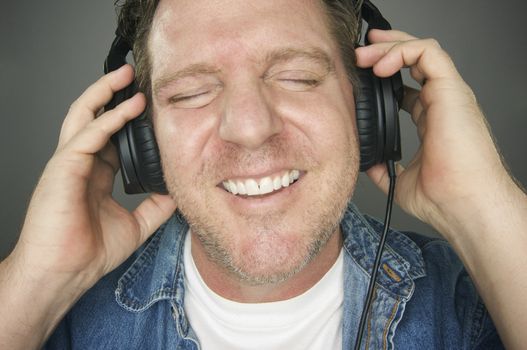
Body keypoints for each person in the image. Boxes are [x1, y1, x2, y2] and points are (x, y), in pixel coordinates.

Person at [0, 0, 525, 349]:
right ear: (141, 137)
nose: (250, 129)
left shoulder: (474, 303)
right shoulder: (58, 320)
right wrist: (40, 279)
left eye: (296, 77)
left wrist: (481, 207)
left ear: (369, 106)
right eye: (191, 93)